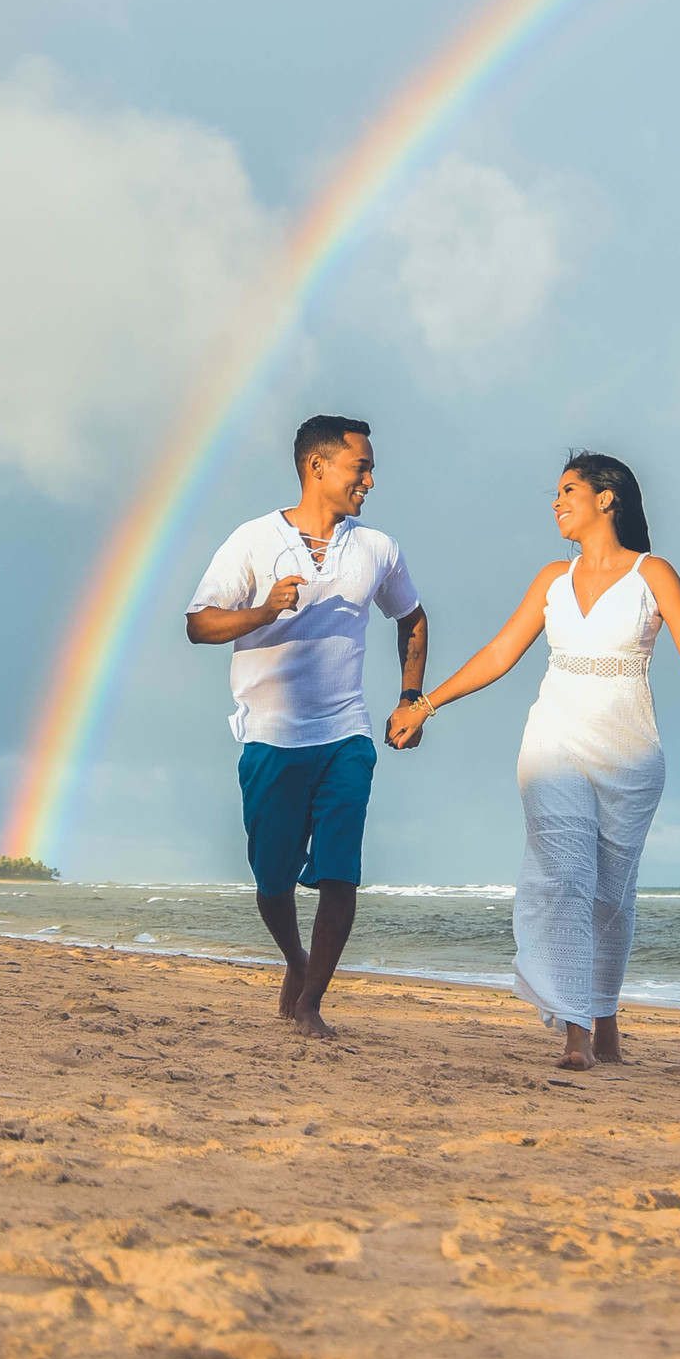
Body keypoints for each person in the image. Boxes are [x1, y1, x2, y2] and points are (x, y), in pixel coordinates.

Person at [388, 452, 680, 1070]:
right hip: (554, 743)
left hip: (631, 751)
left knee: (611, 896)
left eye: (569, 490)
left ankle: (605, 1017)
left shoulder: (654, 575)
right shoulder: (551, 579)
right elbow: (499, 653)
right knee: (564, 881)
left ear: (607, 499)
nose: (555, 501)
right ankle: (574, 1033)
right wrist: (425, 704)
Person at [187, 415, 427, 1038]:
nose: (370, 479)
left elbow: (413, 618)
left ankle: (312, 1000)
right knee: (272, 881)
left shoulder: (378, 548)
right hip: (269, 735)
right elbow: (198, 623)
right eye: (361, 467)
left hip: (347, 733)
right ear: (317, 466)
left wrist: (411, 698)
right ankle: (296, 961)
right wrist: (264, 609)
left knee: (341, 873)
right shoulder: (251, 540)